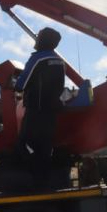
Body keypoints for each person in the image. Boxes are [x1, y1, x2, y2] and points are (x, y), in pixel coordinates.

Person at [13, 27, 66, 183]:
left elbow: (20, 85)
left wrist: (14, 82)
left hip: (36, 110)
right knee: (45, 147)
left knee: (23, 144)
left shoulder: (38, 59)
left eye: (39, 36)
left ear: (43, 40)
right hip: (51, 112)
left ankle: (36, 178)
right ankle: (46, 179)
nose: (36, 38)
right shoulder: (60, 61)